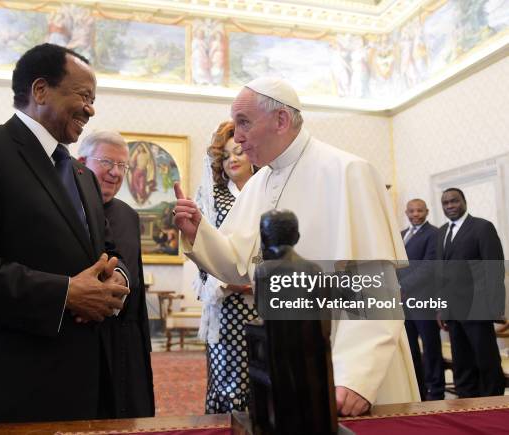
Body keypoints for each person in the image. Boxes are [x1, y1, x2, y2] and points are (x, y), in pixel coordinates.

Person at [174, 77, 419, 416]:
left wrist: (355, 375)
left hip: (351, 365)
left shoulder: (348, 171)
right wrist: (199, 231)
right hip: (289, 355)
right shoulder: (259, 182)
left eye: (244, 122)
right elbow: (236, 263)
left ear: (281, 120)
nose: (238, 135)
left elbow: (375, 283)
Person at [0, 43, 130, 424]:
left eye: (94, 99)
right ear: (40, 90)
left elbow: (108, 249)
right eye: (84, 96)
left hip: (82, 381)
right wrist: (65, 294)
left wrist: (117, 279)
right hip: (9, 384)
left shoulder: (81, 175)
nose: (91, 108)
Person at [79, 131, 155, 418]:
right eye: (106, 162)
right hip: (85, 334)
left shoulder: (127, 214)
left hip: (126, 337)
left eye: (122, 166)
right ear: (82, 162)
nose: (115, 173)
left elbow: (131, 271)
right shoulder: (68, 209)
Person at [193, 121, 257, 414]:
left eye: (240, 152)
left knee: (264, 376)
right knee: (230, 381)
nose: (233, 159)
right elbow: (200, 247)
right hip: (227, 303)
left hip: (266, 301)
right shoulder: (212, 196)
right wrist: (226, 283)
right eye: (227, 154)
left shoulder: (266, 192)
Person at [436, 187, 505, 397]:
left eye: (454, 201)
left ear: (464, 201)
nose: (450, 206)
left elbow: (494, 269)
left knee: (486, 359)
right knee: (462, 360)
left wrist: (494, 307)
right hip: (453, 310)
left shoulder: (482, 227)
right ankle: (466, 403)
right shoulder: (441, 232)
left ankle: (493, 404)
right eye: (446, 203)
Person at [397, 199, 444, 400]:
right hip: (403, 303)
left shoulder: (434, 234)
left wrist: (402, 286)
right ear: (406, 212)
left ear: (427, 211)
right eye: (411, 211)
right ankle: (418, 390)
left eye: (419, 210)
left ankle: (436, 391)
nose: (415, 214)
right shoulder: (400, 235)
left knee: (430, 347)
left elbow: (429, 266)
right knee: (410, 349)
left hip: (424, 300)